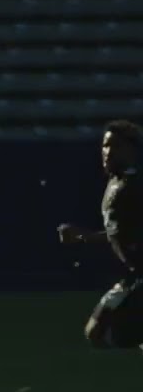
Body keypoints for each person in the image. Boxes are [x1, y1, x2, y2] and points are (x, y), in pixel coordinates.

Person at [58, 119, 143, 351]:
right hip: (133, 275)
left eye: (115, 146)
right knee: (96, 332)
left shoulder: (135, 185)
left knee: (102, 331)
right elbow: (120, 232)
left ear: (131, 150)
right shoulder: (116, 182)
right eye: (105, 146)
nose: (107, 152)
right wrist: (83, 237)